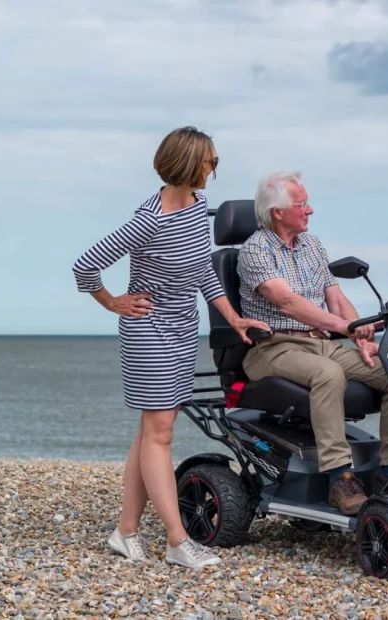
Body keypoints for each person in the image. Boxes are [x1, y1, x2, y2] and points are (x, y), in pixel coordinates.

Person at [72, 126, 270, 569]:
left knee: (150, 433)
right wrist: (113, 303)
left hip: (183, 330)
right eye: (210, 161)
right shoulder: (150, 219)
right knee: (160, 435)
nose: (215, 167)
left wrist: (234, 318)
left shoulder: (198, 206)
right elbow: (85, 267)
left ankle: (125, 532)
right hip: (148, 333)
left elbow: (202, 271)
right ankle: (178, 541)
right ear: (188, 163)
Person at [236, 171, 388, 516]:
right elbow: (287, 303)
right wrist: (346, 328)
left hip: (321, 343)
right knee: (328, 373)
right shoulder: (254, 250)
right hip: (273, 347)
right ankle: (340, 476)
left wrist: (361, 335)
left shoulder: (312, 245)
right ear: (277, 211)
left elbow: (336, 299)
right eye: (302, 204)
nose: (310, 210)